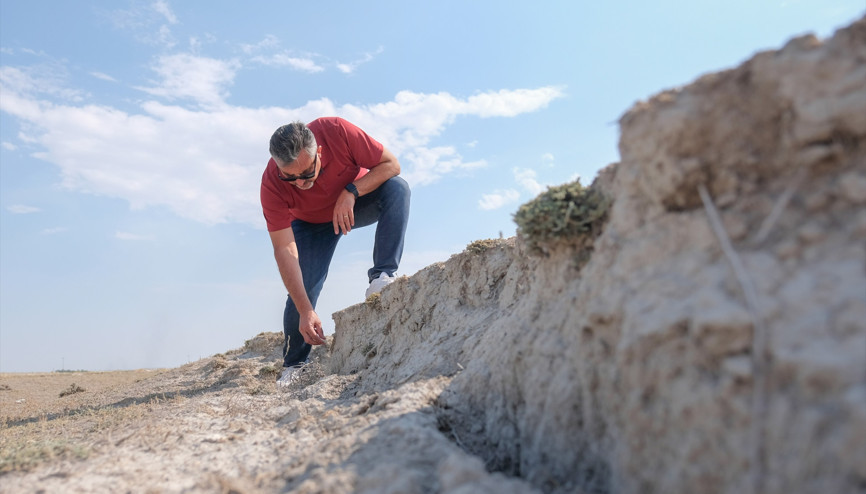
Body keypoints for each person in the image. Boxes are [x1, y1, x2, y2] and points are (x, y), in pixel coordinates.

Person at [260, 117, 410, 387]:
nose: (300, 183)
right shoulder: (271, 182)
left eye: (307, 173)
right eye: (290, 178)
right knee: (302, 289)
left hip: (354, 202)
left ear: (319, 152)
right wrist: (306, 310)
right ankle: (294, 364)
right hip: (310, 224)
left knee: (398, 188)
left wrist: (351, 191)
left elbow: (392, 165)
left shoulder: (337, 131)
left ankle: (382, 276)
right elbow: (284, 248)